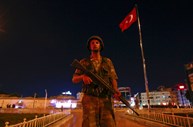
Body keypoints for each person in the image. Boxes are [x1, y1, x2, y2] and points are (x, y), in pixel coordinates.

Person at [72, 35, 121, 127]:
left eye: (97, 43)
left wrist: (115, 89)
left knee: (109, 124)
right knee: (89, 124)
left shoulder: (107, 61)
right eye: (92, 43)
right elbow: (74, 79)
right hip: (89, 98)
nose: (95, 44)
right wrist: (83, 77)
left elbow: (113, 77)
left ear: (100, 46)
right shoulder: (84, 62)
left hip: (106, 98)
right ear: (89, 47)